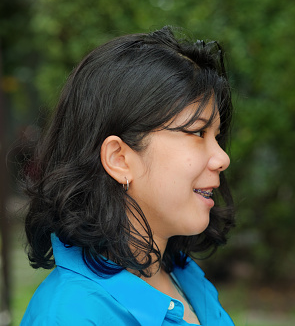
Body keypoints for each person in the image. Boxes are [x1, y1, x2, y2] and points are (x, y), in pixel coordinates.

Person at [21, 26, 236, 325]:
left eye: (216, 136)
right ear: (119, 159)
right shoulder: (70, 314)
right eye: (198, 132)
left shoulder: (183, 274)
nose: (222, 158)